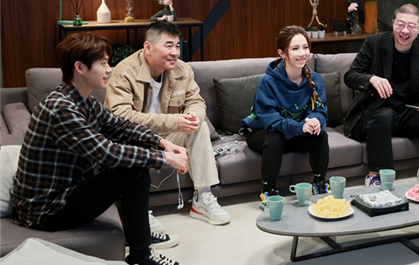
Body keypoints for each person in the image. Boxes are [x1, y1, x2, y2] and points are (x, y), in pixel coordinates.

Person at [11, 33, 185, 265]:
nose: (109, 69)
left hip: (65, 192)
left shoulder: (84, 101)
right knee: (133, 172)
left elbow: (121, 126)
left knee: (135, 154)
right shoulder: (61, 108)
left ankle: (137, 233)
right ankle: (141, 256)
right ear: (80, 67)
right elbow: (107, 153)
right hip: (45, 210)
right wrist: (163, 158)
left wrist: (161, 142)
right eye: (103, 63)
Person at [105, 21, 231, 226]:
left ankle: (203, 198)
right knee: (131, 140)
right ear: (148, 47)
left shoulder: (183, 70)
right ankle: (137, 210)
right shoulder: (125, 71)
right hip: (136, 138)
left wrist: (193, 116)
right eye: (169, 45)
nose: (175, 52)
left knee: (199, 127)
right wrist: (173, 121)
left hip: (168, 138)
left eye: (178, 46)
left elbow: (196, 101)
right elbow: (120, 116)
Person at [343, 3, 419, 187]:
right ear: (393, 23)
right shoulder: (375, 43)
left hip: (406, 113)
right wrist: (372, 79)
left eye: (411, 26)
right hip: (376, 112)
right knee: (384, 115)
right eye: (400, 24)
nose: (405, 30)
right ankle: (377, 175)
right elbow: (350, 76)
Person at [239, 26, 330, 208]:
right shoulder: (268, 81)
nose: (302, 53)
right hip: (262, 131)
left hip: (294, 131)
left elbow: (320, 110)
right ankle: (269, 190)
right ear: (282, 53)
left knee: (319, 133)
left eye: (305, 47)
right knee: (276, 138)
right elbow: (270, 120)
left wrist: (315, 121)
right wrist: (299, 126)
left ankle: (319, 182)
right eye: (295, 48)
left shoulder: (315, 80)